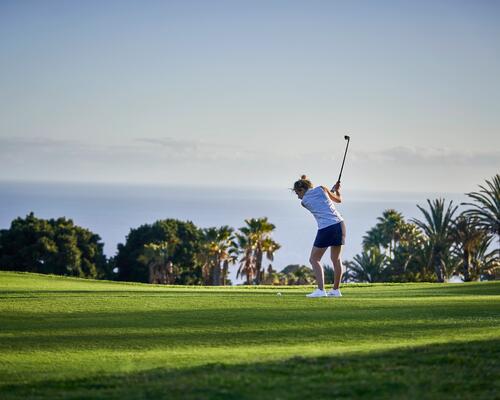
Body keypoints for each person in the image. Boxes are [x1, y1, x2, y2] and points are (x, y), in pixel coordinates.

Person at [292, 175, 346, 298]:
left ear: (301, 189)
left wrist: (303, 179)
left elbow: (316, 199)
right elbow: (338, 200)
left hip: (326, 228)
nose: (298, 197)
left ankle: (321, 290)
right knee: (336, 259)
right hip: (339, 225)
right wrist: (336, 190)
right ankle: (336, 290)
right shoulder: (322, 189)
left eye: (297, 193)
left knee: (314, 259)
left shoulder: (304, 202)